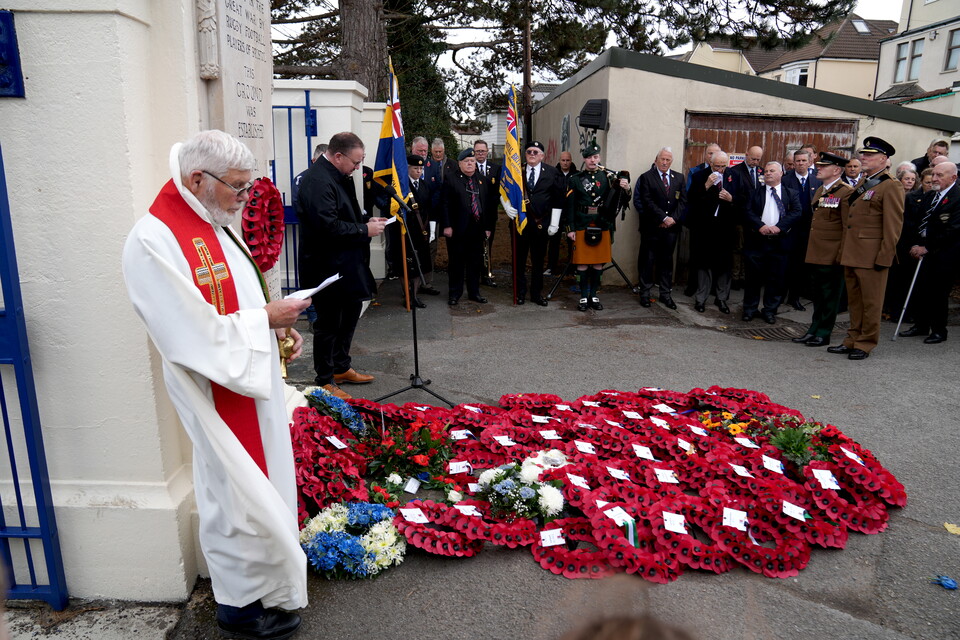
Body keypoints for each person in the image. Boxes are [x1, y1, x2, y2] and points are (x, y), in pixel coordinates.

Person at [122, 130, 309, 639]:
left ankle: (267, 585)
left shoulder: (214, 220)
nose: (245, 198)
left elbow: (241, 296)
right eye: (238, 188)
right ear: (198, 179)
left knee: (259, 483)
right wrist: (263, 321)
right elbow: (189, 332)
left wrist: (276, 329)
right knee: (231, 492)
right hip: (213, 386)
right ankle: (240, 606)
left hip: (246, 374)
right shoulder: (154, 239)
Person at [297, 132, 387, 397]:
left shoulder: (339, 175)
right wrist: (363, 230)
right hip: (325, 264)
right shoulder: (316, 180)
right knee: (329, 323)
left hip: (346, 262)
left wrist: (365, 223)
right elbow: (327, 226)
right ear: (338, 156)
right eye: (355, 162)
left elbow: (347, 213)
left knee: (350, 314)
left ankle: (340, 366)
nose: (358, 168)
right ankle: (324, 379)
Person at [828, 137, 905, 360]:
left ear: (884, 159)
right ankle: (852, 338)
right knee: (855, 301)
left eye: (870, 155)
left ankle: (866, 342)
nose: (864, 157)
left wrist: (885, 256)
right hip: (853, 253)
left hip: (872, 256)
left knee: (871, 302)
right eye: (864, 154)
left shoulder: (891, 185)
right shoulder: (865, 182)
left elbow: (893, 226)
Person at [792, 152, 854, 347]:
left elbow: (847, 227)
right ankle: (814, 329)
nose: (818, 168)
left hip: (832, 254)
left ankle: (824, 332)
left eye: (823, 166)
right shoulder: (820, 190)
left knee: (830, 297)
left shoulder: (846, 192)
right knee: (818, 295)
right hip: (817, 253)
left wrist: (842, 254)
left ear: (836, 170)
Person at [897, 162, 960, 344]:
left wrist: (928, 247)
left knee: (938, 293)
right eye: (933, 175)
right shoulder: (930, 195)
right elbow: (919, 223)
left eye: (939, 175)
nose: (934, 179)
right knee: (920, 289)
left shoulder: (957, 197)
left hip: (944, 254)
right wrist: (916, 244)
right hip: (922, 250)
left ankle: (939, 330)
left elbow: (954, 230)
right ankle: (921, 325)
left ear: (953, 177)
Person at [565, 141, 630, 311]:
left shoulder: (608, 178)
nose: (593, 160)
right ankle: (583, 297)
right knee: (582, 263)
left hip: (602, 223)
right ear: (585, 159)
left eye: (595, 157)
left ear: (599, 157)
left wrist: (626, 187)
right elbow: (570, 206)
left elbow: (622, 200)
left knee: (598, 263)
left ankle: (594, 294)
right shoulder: (575, 179)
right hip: (581, 223)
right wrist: (570, 229)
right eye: (589, 158)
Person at [505, 141, 565, 305]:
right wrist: (507, 207)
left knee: (538, 261)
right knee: (519, 261)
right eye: (529, 151)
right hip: (520, 224)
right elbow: (505, 190)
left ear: (542, 155)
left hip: (541, 224)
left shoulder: (553, 173)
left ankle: (536, 294)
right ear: (525, 154)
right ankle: (520, 293)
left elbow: (558, 200)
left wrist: (554, 223)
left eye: (535, 152)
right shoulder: (517, 171)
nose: (532, 154)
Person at [742, 161, 801, 324]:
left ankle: (770, 310)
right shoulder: (754, 193)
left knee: (776, 278)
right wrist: (760, 226)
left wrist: (779, 227)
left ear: (781, 173)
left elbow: (797, 212)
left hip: (780, 242)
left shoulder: (791, 193)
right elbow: (747, 212)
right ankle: (749, 309)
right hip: (757, 242)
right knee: (753, 278)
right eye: (766, 171)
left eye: (772, 171)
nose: (768, 173)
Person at [634, 147, 686, 309]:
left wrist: (673, 219)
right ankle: (645, 293)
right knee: (647, 261)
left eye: (668, 160)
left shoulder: (678, 178)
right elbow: (646, 201)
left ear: (672, 161)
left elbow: (683, 202)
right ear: (656, 160)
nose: (664, 162)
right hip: (652, 227)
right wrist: (662, 218)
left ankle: (665, 294)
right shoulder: (646, 178)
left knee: (666, 262)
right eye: (662, 159)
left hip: (671, 229)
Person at [686, 151, 736, 314]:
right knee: (704, 264)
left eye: (723, 166)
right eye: (717, 166)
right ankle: (701, 299)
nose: (720, 170)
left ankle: (721, 299)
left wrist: (731, 199)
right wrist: (706, 185)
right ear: (711, 163)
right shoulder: (700, 176)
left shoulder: (733, 175)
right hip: (705, 227)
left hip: (725, 227)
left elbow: (744, 199)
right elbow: (691, 199)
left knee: (724, 265)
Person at [441, 148, 494, 305]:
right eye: (467, 161)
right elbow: (444, 204)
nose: (470, 164)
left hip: (477, 229)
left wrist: (488, 227)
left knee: (475, 263)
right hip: (457, 229)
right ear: (460, 163)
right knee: (456, 263)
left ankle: (474, 292)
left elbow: (489, 206)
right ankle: (454, 294)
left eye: (472, 161)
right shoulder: (451, 179)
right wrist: (447, 225)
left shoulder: (482, 180)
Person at [781, 149, 823, 311]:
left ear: (809, 162)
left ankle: (794, 297)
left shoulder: (817, 181)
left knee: (800, 266)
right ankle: (779, 296)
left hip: (808, 231)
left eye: (803, 161)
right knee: (785, 264)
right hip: (790, 229)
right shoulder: (785, 180)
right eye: (797, 161)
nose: (800, 164)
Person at [727, 145, 764, 290]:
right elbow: (733, 194)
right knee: (738, 248)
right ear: (746, 155)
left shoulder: (761, 172)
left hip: (756, 219)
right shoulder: (735, 171)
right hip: (740, 216)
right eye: (753, 158)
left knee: (751, 249)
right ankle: (736, 277)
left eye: (758, 159)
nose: (755, 162)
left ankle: (746, 276)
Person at [403, 154, 436, 307]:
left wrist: (432, 229)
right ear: (408, 168)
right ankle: (407, 295)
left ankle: (414, 295)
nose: (419, 171)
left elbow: (429, 208)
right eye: (415, 168)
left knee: (419, 263)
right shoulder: (403, 186)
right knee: (407, 263)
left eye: (421, 168)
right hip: (407, 231)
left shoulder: (424, 185)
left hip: (422, 231)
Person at [474, 139, 502, 287]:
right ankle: (473, 275)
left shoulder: (496, 168)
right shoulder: (470, 167)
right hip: (473, 215)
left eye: (483, 151)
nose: (480, 154)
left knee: (487, 246)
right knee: (473, 246)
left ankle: (486, 274)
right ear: (474, 152)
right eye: (477, 151)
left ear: (487, 152)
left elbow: (498, 191)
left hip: (490, 214)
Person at [546, 150, 575, 276]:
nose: (565, 163)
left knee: (572, 241)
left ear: (571, 161)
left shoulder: (576, 175)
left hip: (571, 212)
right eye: (563, 160)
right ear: (559, 160)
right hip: (555, 212)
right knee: (554, 240)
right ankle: (551, 267)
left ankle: (573, 267)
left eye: (567, 160)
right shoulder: (553, 174)